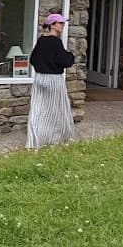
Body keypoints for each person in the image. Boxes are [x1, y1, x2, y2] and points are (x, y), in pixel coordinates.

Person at [26, 12, 75, 149]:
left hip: (40, 79)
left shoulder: (41, 40)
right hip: (53, 80)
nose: (63, 25)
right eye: (60, 23)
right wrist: (71, 56)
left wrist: (43, 65)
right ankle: (55, 138)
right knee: (57, 110)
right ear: (52, 25)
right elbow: (64, 60)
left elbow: (33, 59)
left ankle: (35, 139)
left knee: (38, 109)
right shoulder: (56, 42)